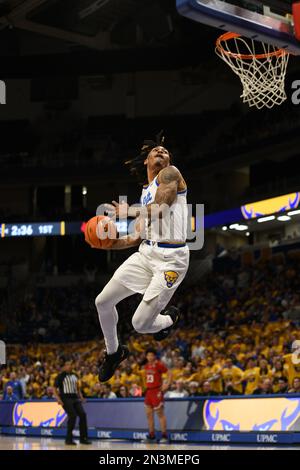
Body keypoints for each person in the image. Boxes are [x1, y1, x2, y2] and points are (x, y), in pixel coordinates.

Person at [95, 132, 190, 382]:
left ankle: (168, 319)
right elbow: (135, 238)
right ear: (146, 161)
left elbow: (161, 210)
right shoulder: (145, 191)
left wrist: (129, 211)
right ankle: (114, 353)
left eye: (165, 151)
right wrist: (108, 244)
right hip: (147, 253)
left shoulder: (170, 174)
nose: (161, 153)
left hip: (172, 259)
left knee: (140, 324)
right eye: (155, 151)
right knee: (102, 302)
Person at [54, 360, 91, 446]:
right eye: (67, 365)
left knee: (82, 415)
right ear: (64, 367)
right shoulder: (60, 376)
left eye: (71, 365)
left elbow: (77, 388)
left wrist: (81, 397)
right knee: (73, 416)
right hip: (65, 399)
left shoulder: (75, 375)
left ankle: (83, 438)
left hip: (75, 398)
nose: (69, 366)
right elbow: (54, 388)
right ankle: (68, 439)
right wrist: (58, 399)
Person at [143, 348, 172, 443]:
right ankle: (151, 435)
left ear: (154, 356)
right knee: (149, 415)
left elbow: (169, 373)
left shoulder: (159, 365)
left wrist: (167, 384)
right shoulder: (146, 366)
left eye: (151, 355)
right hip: (148, 392)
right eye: (148, 355)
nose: (150, 357)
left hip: (156, 391)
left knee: (160, 414)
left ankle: (164, 435)